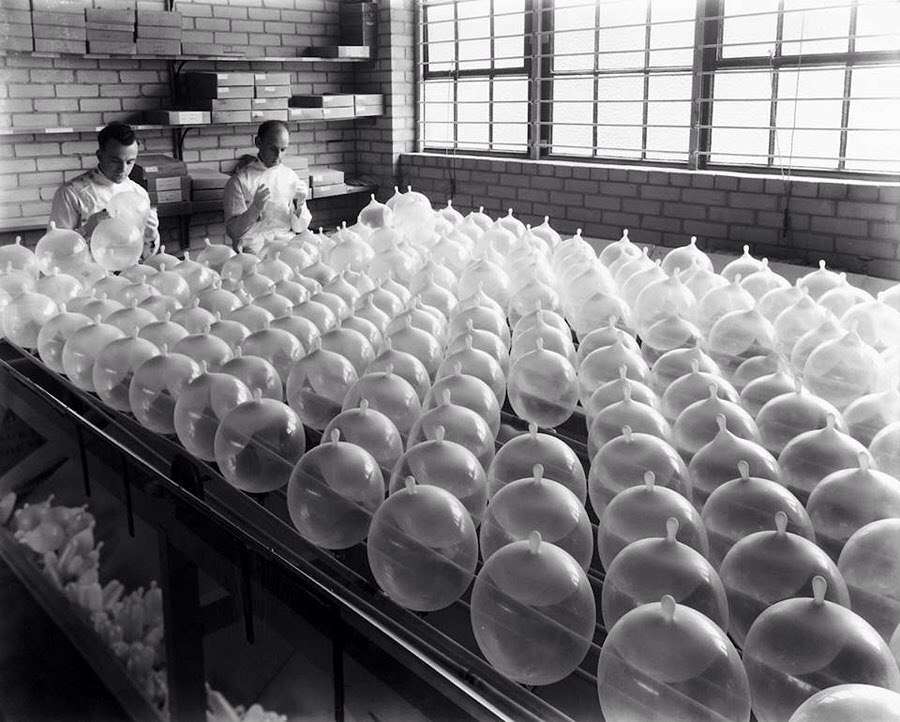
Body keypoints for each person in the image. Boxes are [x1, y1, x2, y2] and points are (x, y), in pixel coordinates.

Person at [49, 122, 160, 257]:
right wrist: (87, 229)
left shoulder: (138, 193)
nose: (123, 169)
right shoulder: (71, 193)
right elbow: (55, 250)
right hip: (87, 269)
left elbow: (145, 256)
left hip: (128, 269)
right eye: (115, 161)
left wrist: (151, 235)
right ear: (100, 156)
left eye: (130, 162)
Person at [223, 120, 311, 254]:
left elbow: (299, 228)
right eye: (272, 149)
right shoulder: (240, 181)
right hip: (256, 248)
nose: (278, 156)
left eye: (283, 150)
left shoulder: (290, 176)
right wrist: (255, 209)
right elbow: (234, 232)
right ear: (258, 142)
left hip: (287, 243)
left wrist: (300, 205)